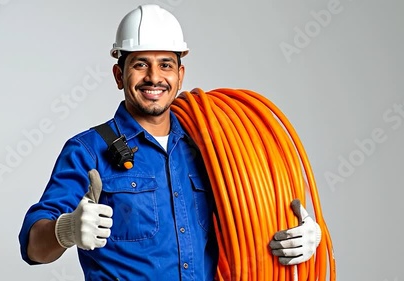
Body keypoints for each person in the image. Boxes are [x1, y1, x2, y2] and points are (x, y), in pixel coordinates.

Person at [18, 4, 321, 280]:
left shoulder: (212, 150)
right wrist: (66, 229)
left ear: (180, 75)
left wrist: (297, 238)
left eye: (165, 64)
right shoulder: (88, 151)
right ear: (119, 74)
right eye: (140, 64)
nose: (153, 77)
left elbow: (250, 225)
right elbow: (34, 248)